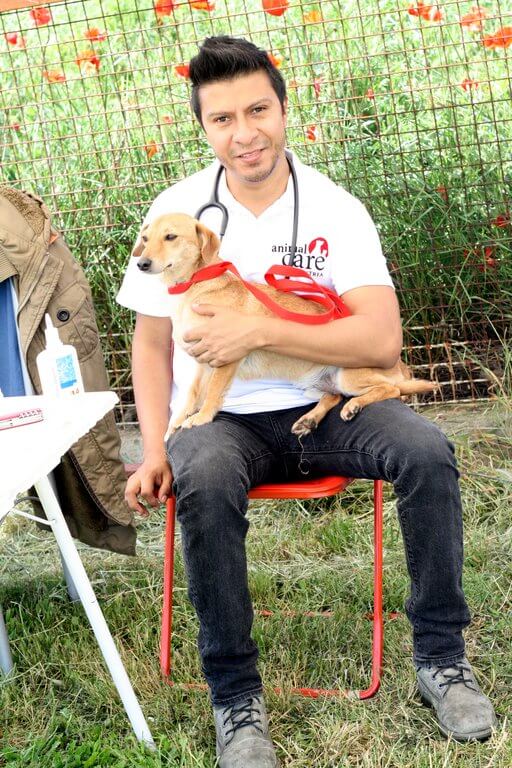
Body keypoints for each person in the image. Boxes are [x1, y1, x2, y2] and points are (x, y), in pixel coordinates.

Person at [117, 36, 497, 767]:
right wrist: (157, 448)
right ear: (204, 127)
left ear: (284, 110)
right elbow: (152, 343)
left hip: (321, 401)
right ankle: (235, 698)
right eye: (223, 118)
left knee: (426, 450)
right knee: (204, 477)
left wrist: (261, 328)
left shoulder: (334, 208)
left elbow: (381, 339)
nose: (244, 132)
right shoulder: (174, 212)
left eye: (258, 110)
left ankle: (442, 660)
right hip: (222, 420)